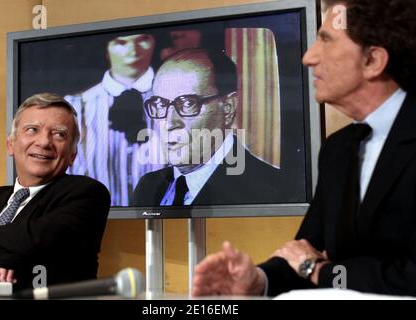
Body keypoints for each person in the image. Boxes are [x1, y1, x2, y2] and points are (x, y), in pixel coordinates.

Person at [192, 0, 416, 297]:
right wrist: (258, 280)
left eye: (326, 40)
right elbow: (301, 253)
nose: (308, 57)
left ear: (373, 60)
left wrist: (318, 270)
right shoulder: (338, 149)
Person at [0, 93, 110, 290]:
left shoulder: (88, 194)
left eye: (59, 134)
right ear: (11, 145)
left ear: (72, 155)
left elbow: (33, 240)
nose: (44, 142)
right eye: (32, 130)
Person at [131, 48, 281, 207]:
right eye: (160, 105)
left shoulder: (269, 191)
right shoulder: (147, 187)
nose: (169, 122)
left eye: (188, 104)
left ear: (228, 108)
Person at [65, 33, 158, 206]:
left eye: (142, 40)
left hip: (172, 221)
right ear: (106, 49)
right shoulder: (75, 107)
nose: (133, 50)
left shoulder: (180, 101)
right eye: (121, 42)